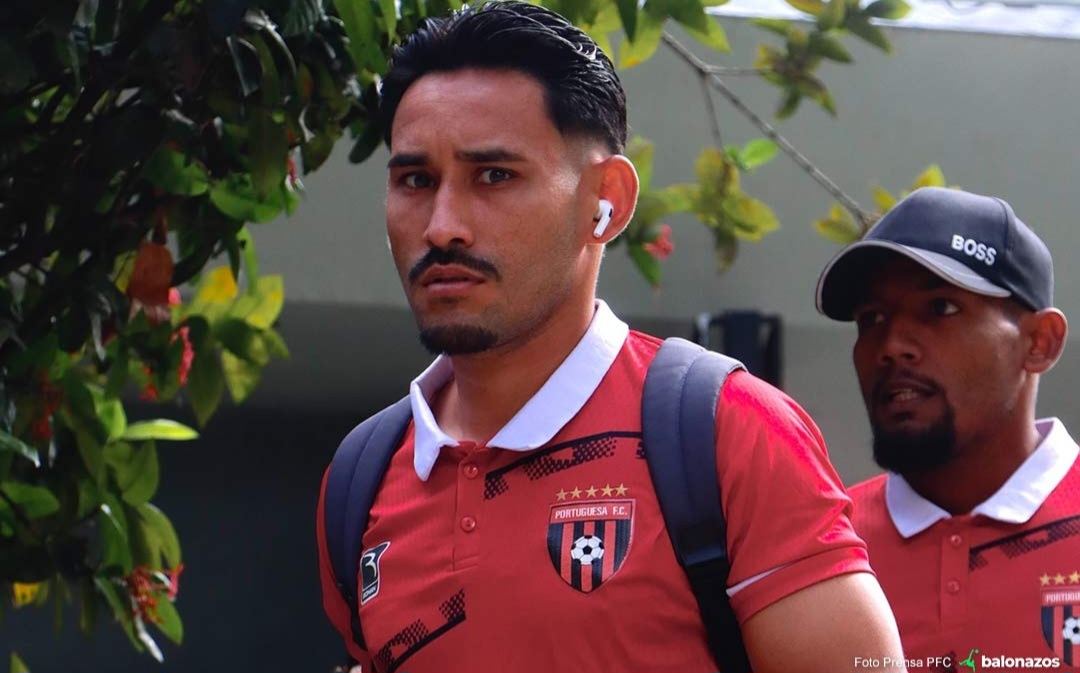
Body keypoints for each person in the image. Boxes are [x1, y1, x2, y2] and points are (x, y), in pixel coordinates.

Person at [316, 3, 905, 672]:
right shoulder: (359, 481)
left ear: (609, 200)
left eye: (494, 175)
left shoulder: (730, 433)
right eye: (416, 180)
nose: (442, 225)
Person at [816, 186, 1078, 672]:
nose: (891, 345)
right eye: (871, 318)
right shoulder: (822, 549)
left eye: (940, 308)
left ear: (1040, 342)